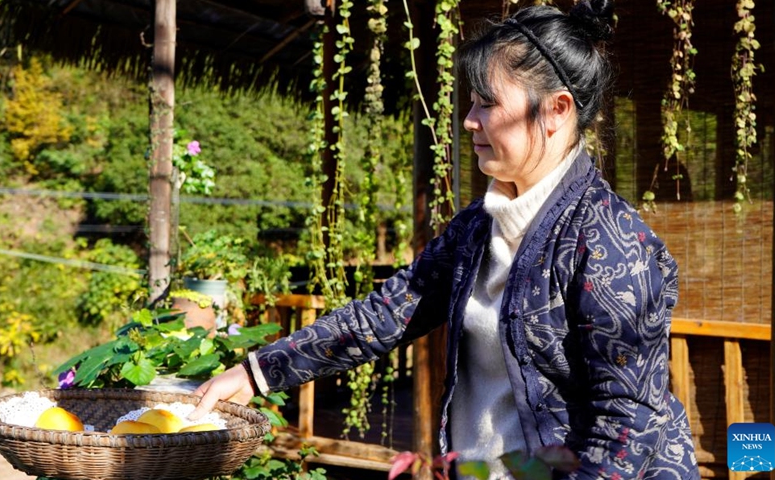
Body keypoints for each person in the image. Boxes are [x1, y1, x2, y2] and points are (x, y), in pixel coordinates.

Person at [190, 1, 700, 478]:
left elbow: (629, 424)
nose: (469, 120)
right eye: (470, 103)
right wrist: (258, 372)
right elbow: (389, 311)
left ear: (556, 110)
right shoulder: (479, 227)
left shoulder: (611, 243)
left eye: (486, 104)